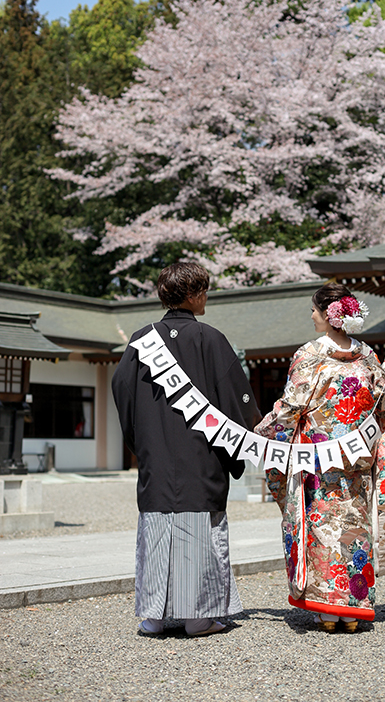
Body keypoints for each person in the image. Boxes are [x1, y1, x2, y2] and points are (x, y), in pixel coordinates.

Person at [255, 283, 385, 632]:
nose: (311, 315)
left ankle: (329, 609)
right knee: (354, 529)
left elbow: (292, 407)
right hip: (358, 458)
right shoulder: (368, 357)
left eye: (314, 310)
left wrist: (262, 431)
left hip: (317, 459)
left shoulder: (310, 355)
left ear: (329, 316)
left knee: (323, 529)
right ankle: (354, 606)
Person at [112, 262, 260, 637]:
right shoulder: (210, 339)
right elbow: (237, 402)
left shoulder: (141, 341)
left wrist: (140, 441)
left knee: (158, 526)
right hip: (200, 455)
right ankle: (198, 616)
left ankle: (154, 616)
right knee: (199, 524)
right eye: (204, 290)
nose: (206, 297)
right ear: (193, 295)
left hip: (156, 456)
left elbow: (122, 391)